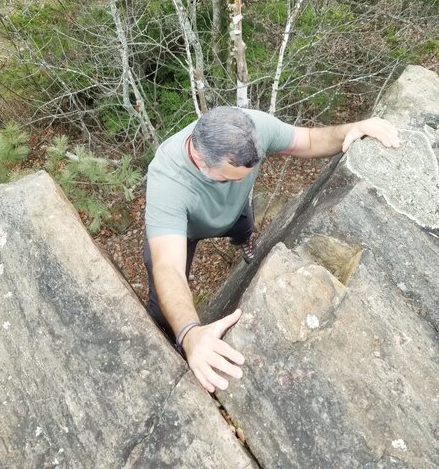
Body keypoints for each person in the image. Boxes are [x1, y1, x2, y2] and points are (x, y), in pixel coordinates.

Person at [143, 106, 400, 393]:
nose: (240, 183)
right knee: (160, 301)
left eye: (246, 176)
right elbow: (169, 267)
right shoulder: (168, 180)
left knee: (243, 228)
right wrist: (189, 333)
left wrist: (354, 128)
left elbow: (310, 141)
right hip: (184, 232)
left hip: (235, 215)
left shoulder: (252, 127)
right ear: (201, 161)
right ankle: (166, 336)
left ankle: (243, 243)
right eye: (229, 178)